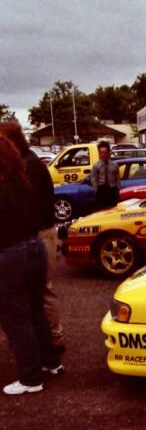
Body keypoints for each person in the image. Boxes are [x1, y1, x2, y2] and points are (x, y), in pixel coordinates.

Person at [0, 135, 63, 395]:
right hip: (34, 247)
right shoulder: (22, 182)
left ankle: (30, 378)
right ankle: (50, 362)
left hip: (12, 254)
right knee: (35, 310)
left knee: (16, 318)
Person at [90, 140, 120, 209]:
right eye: (101, 153)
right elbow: (93, 179)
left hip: (112, 191)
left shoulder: (114, 165)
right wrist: (96, 191)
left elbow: (118, 178)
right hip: (101, 191)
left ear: (108, 153)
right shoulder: (96, 166)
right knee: (102, 211)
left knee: (113, 210)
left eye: (105, 152)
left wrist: (117, 189)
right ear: (99, 153)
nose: (103, 155)